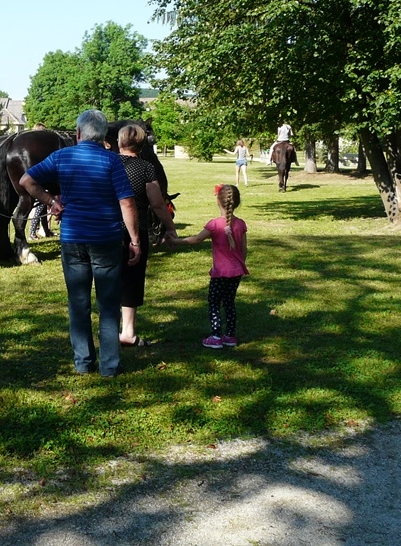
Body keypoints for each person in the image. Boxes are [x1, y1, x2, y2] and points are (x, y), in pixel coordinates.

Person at [19, 109, 142, 378]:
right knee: (108, 305)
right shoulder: (112, 161)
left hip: (73, 238)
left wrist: (51, 201)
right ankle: (109, 365)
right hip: (106, 239)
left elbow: (26, 180)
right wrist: (135, 240)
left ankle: (83, 362)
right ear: (104, 135)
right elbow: (126, 202)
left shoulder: (62, 156)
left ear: (78, 133)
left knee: (78, 302)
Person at [116, 123, 178, 347]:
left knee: (109, 278)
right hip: (136, 229)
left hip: (107, 229)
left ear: (119, 142)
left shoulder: (108, 163)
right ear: (142, 145)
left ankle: (109, 328)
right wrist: (170, 227)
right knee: (132, 279)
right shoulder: (146, 168)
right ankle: (128, 331)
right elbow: (158, 204)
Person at [166, 184, 248, 349]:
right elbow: (244, 249)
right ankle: (230, 336)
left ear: (218, 201)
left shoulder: (214, 224)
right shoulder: (241, 224)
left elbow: (196, 239)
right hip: (236, 272)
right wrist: (240, 263)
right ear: (237, 203)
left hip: (220, 273)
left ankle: (216, 336)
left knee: (214, 303)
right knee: (229, 303)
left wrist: (175, 241)